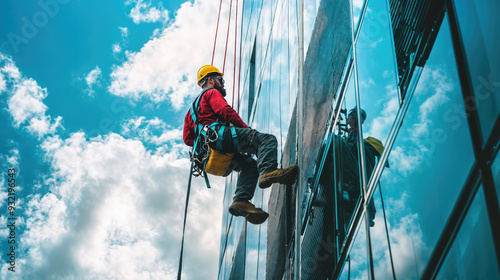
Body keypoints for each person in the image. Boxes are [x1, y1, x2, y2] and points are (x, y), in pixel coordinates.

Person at [183, 65, 298, 225]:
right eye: (220, 79)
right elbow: (226, 111)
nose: (223, 83)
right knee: (266, 140)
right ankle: (268, 171)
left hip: (214, 149)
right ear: (210, 80)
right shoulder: (211, 93)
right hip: (221, 136)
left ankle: (241, 200)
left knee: (250, 166)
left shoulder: (190, 113)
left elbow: (188, 139)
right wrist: (246, 130)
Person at [334, 107, 377, 227]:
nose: (349, 118)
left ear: (353, 117)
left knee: (335, 141)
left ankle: (349, 185)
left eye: (350, 116)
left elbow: (366, 171)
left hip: (354, 178)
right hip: (352, 179)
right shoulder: (353, 135)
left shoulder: (358, 139)